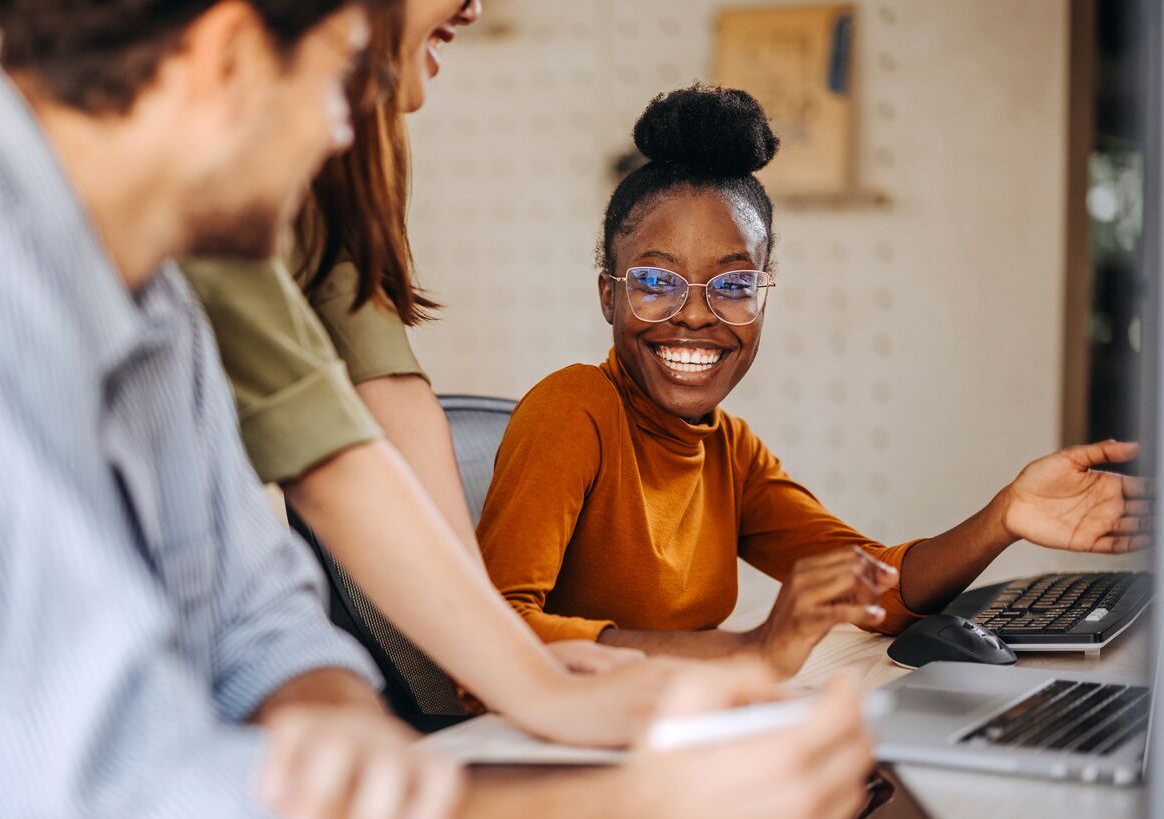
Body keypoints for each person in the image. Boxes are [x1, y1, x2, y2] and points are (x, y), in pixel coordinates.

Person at [0, 2, 874, 817]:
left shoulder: (153, 293)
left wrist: (332, 711)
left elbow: (256, 618)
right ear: (226, 57)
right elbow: (106, 788)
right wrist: (608, 801)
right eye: (335, 73)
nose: (358, 118)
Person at [478, 85, 1151, 679]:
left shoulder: (728, 452)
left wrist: (1004, 516)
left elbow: (875, 587)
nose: (692, 313)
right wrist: (748, 650)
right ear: (608, 295)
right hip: (557, 750)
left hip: (671, 728)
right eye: (655, 281)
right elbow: (492, 643)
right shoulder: (573, 408)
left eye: (734, 284)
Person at [182, 0, 662, 750]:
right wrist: (519, 680)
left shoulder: (327, 158)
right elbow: (331, 458)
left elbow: (382, 394)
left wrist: (500, 665)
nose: (475, 6)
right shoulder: (203, 184)